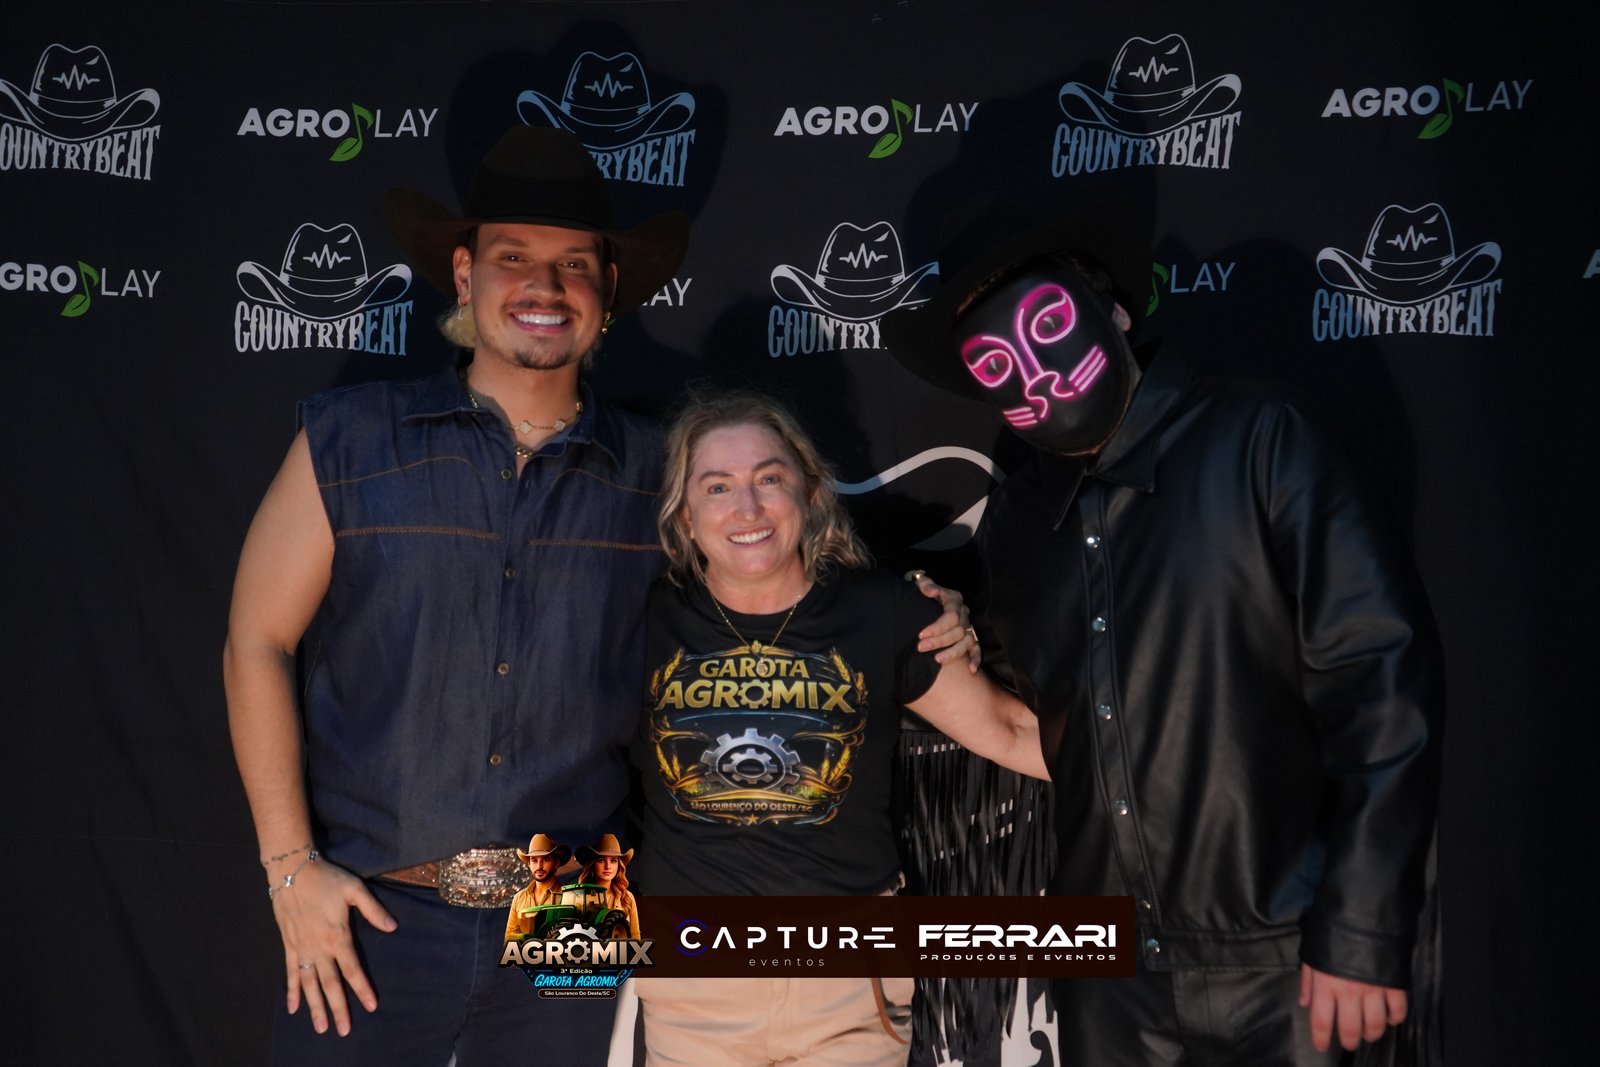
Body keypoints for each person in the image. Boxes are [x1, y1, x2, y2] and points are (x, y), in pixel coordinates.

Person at [222, 125, 974, 1063]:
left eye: (574, 264)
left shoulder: (662, 471)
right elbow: (256, 640)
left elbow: (781, 590)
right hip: (375, 896)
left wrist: (923, 611)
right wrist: (289, 867)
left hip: (575, 896)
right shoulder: (350, 439)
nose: (545, 286)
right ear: (464, 273)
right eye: (513, 257)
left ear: (608, 289)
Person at [882, 195, 1442, 1065]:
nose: (1035, 375)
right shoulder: (1019, 525)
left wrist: (1362, 925)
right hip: (1113, 981)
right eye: (994, 360)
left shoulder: (1261, 440)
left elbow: (1380, 681)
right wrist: (949, 626)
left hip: (1290, 959)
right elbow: (1055, 728)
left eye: (1048, 324)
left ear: (1112, 311)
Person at [627, 388, 1049, 1067]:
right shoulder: (642, 620)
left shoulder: (885, 611)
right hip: (696, 986)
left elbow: (1010, 731)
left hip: (847, 984)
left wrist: (1182, 781)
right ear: (685, 516)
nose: (748, 508)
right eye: (718, 487)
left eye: (769, 478)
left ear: (809, 490)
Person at [567, 832, 642, 939]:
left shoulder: (627, 897)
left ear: (619, 865)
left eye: (613, 861)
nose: (608, 866)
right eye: (601, 860)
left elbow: (635, 935)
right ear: (592, 864)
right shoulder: (578, 897)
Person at [503, 834, 572, 941]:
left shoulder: (570, 896)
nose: (539, 866)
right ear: (529, 864)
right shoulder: (519, 898)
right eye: (534, 860)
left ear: (556, 863)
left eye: (545, 859)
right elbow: (509, 939)